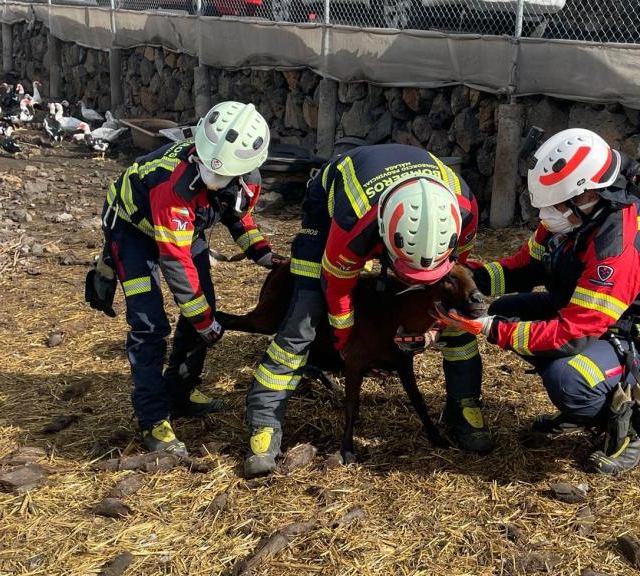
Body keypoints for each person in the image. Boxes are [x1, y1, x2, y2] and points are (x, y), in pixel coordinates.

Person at [433, 128, 640, 475]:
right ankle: (586, 407)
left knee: (568, 377)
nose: (545, 216)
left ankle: (633, 422)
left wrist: (491, 330)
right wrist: (466, 278)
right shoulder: (573, 220)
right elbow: (525, 267)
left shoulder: (619, 249)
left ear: (589, 196)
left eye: (554, 206)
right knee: (505, 309)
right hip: (597, 320)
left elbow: (574, 335)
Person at [243, 143, 490, 477]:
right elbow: (339, 290)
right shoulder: (351, 226)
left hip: (404, 215)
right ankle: (266, 425)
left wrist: (435, 330)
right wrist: (346, 342)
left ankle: (464, 407)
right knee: (302, 319)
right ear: (385, 241)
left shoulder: (465, 211)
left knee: (458, 322)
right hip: (333, 205)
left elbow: (453, 281)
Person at [85, 101, 286, 456]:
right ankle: (153, 418)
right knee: (149, 324)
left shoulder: (248, 179)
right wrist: (204, 321)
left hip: (184, 229)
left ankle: (180, 389)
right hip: (133, 230)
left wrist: (262, 252)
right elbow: (175, 260)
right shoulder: (175, 184)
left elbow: (237, 215)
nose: (213, 178)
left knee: (201, 303)